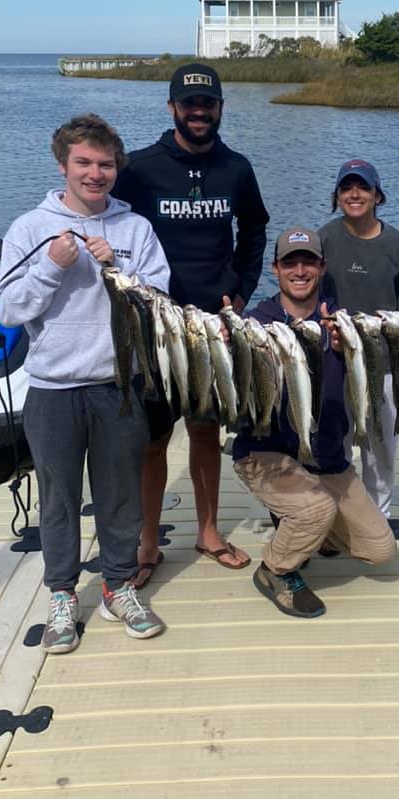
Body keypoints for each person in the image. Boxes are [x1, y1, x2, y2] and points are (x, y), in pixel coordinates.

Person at [0, 114, 170, 653]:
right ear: (63, 164)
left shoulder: (135, 229)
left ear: (118, 168)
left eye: (106, 164)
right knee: (59, 497)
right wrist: (49, 267)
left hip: (118, 384)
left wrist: (119, 267)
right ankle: (64, 593)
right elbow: (6, 310)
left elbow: (159, 304)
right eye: (85, 163)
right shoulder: (30, 227)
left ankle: (118, 584)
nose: (96, 174)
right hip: (51, 387)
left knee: (120, 495)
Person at [113, 63, 269, 583]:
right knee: (153, 440)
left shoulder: (238, 168)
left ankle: (207, 531)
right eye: (188, 104)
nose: (198, 112)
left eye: (207, 104)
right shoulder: (139, 168)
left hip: (214, 326)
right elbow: (110, 226)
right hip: (155, 326)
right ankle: (147, 543)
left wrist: (243, 291)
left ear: (220, 108)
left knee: (205, 431)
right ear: (172, 108)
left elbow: (255, 229)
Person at [232, 227, 396, 618]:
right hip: (266, 454)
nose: (300, 270)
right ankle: (276, 569)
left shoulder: (342, 323)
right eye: (290, 262)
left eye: (308, 261)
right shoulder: (257, 323)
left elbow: (367, 381)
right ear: (276, 269)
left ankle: (308, 525)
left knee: (380, 550)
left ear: (322, 267)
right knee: (314, 510)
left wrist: (350, 348)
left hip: (326, 460)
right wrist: (233, 340)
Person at [320, 160, 399, 518]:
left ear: (377, 194)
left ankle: (380, 518)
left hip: (384, 366)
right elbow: (312, 295)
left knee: (381, 448)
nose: (355, 195)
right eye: (347, 188)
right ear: (337, 196)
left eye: (363, 188)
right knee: (336, 443)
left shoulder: (397, 245)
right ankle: (338, 518)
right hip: (337, 362)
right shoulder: (326, 238)